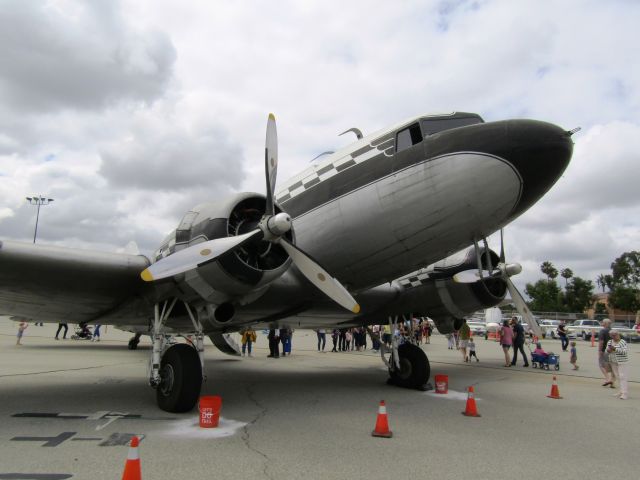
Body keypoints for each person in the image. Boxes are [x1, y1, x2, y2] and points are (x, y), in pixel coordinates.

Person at [606, 330, 629, 399]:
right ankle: (621, 391)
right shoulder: (610, 342)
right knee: (618, 376)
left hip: (622, 361)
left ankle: (625, 393)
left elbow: (625, 352)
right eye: (612, 335)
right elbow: (606, 350)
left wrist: (615, 349)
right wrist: (608, 350)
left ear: (618, 335)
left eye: (615, 335)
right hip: (613, 361)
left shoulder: (623, 342)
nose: (614, 336)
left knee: (622, 377)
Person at [599, 319, 614, 388]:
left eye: (602, 322)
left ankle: (607, 379)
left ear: (605, 323)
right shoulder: (612, 331)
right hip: (612, 350)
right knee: (612, 366)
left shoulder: (603, 331)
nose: (601, 323)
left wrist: (600, 350)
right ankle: (612, 380)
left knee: (601, 365)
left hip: (605, 351)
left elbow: (601, 341)